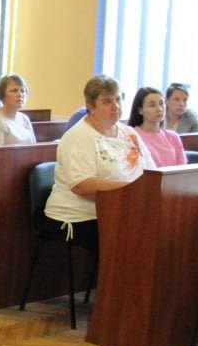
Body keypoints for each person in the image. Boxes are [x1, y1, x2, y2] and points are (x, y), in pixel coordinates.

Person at [44, 75, 155, 250]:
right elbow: (82, 185)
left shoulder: (129, 133)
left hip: (122, 210)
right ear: (91, 106)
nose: (115, 106)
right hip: (80, 218)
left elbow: (151, 171)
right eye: (107, 101)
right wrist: (131, 190)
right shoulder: (79, 136)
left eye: (118, 99)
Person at [130, 86, 185, 167]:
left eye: (161, 104)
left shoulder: (173, 137)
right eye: (152, 105)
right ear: (140, 110)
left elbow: (182, 169)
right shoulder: (132, 135)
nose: (159, 109)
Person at [0, 73, 37, 145]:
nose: (20, 94)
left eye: (23, 91)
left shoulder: (24, 119)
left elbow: (34, 147)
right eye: (14, 91)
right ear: (3, 95)